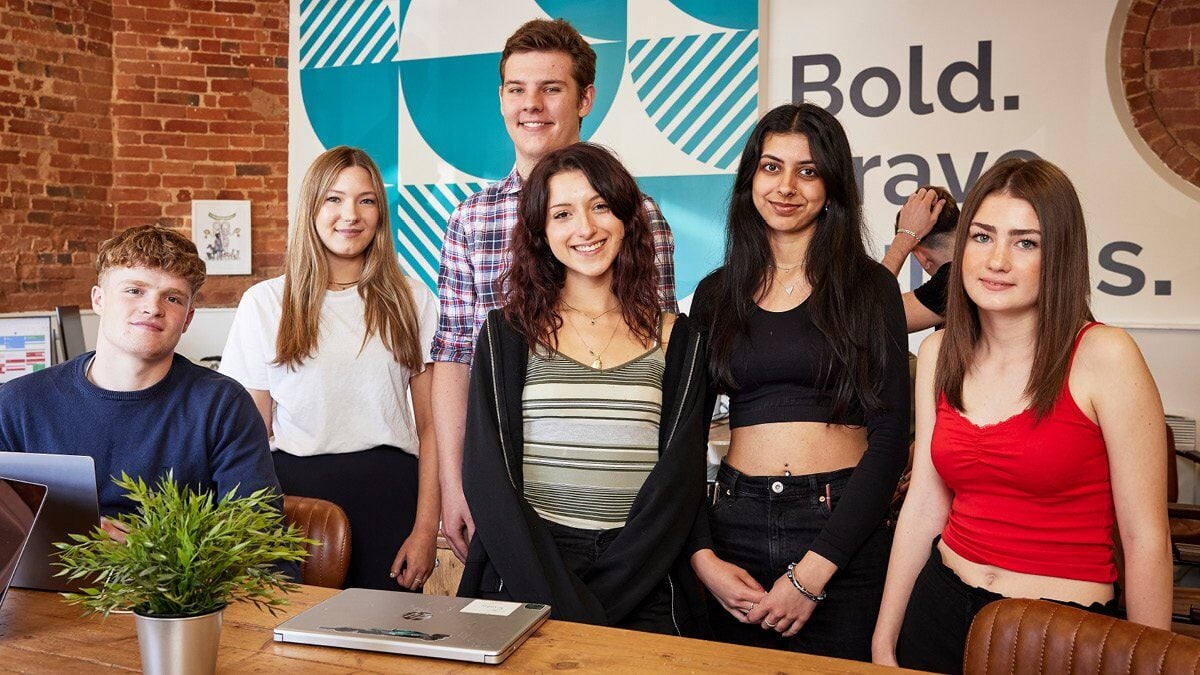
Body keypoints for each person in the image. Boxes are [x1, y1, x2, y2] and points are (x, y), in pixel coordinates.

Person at [872, 158, 1172, 673]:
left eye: (1025, 242)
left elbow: (1145, 538)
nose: (997, 260)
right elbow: (923, 504)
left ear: (1058, 254)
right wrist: (884, 639)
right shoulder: (941, 352)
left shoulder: (1105, 355)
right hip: (939, 608)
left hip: (1057, 632)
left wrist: (1149, 663)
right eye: (983, 237)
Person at [431, 18, 678, 562]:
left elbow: (660, 362)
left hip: (610, 503)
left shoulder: (637, 218)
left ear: (586, 98)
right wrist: (453, 484)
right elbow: (452, 359)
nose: (531, 105)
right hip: (495, 476)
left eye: (551, 88)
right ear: (500, 99)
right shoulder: (471, 220)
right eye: (517, 89)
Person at [457, 143, 710, 637]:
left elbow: (677, 487)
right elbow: (486, 478)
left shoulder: (679, 339)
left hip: (645, 573)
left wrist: (605, 598)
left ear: (627, 218)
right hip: (525, 569)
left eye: (599, 206)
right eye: (562, 213)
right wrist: (558, 598)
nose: (585, 228)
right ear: (540, 231)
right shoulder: (506, 335)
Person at [689, 103, 910, 660]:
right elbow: (682, 441)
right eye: (771, 167)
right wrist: (702, 557)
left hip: (840, 527)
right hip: (733, 524)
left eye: (807, 171)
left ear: (832, 185)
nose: (786, 186)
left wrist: (813, 573)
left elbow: (890, 438)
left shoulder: (870, 288)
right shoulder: (716, 294)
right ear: (749, 180)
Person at [220, 146, 440, 592]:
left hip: (390, 499)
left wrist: (425, 531)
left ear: (380, 211)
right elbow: (251, 435)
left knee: (382, 647)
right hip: (296, 504)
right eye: (334, 199)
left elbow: (434, 427)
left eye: (366, 200)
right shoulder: (265, 303)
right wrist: (247, 531)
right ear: (312, 207)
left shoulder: (414, 301)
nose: (350, 214)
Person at [0, 225, 282, 543]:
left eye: (172, 298)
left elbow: (260, 540)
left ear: (188, 318)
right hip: (40, 591)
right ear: (99, 299)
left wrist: (147, 551)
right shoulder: (16, 404)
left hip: (176, 587)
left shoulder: (223, 405)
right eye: (134, 290)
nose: (153, 308)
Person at [880, 186, 959, 332]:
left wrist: (905, 236)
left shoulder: (955, 278)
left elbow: (865, 316)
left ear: (922, 257)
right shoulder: (975, 268)